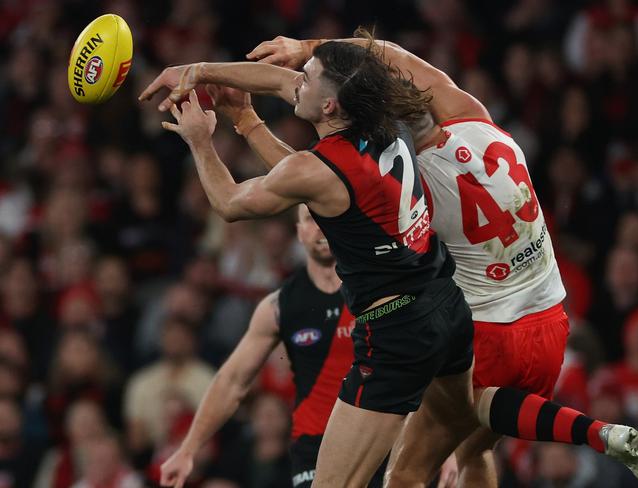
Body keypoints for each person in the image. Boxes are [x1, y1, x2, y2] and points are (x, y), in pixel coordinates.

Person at [241, 33, 638, 486]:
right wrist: (308, 47)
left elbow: (309, 186)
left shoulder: (399, 181)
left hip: (489, 334)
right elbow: (392, 53)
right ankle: (599, 432)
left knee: (407, 474)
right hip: (552, 323)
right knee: (475, 451)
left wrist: (243, 113)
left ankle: (595, 432)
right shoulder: (479, 120)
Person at [140, 41, 477, 487]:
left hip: (397, 334)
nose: (296, 80)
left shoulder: (316, 168)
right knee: (460, 452)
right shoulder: (385, 121)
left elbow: (230, 202)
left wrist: (201, 141)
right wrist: (197, 71)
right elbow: (311, 170)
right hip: (447, 307)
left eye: (308, 77)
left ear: (330, 104)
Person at [160, 205, 389, 487]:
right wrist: (188, 448)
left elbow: (422, 363)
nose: (320, 228)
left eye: (327, 220)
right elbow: (232, 381)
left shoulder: (379, 292)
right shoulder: (280, 306)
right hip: (313, 449)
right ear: (299, 233)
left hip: (380, 439)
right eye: (310, 221)